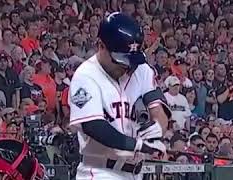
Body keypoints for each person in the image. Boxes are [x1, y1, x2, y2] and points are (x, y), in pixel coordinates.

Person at [69, 12, 171, 180]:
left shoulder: (141, 69)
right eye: (121, 60)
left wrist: (157, 129)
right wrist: (138, 145)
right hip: (99, 171)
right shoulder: (85, 76)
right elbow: (94, 127)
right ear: (101, 46)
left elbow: (158, 110)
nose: (128, 66)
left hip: (134, 173)